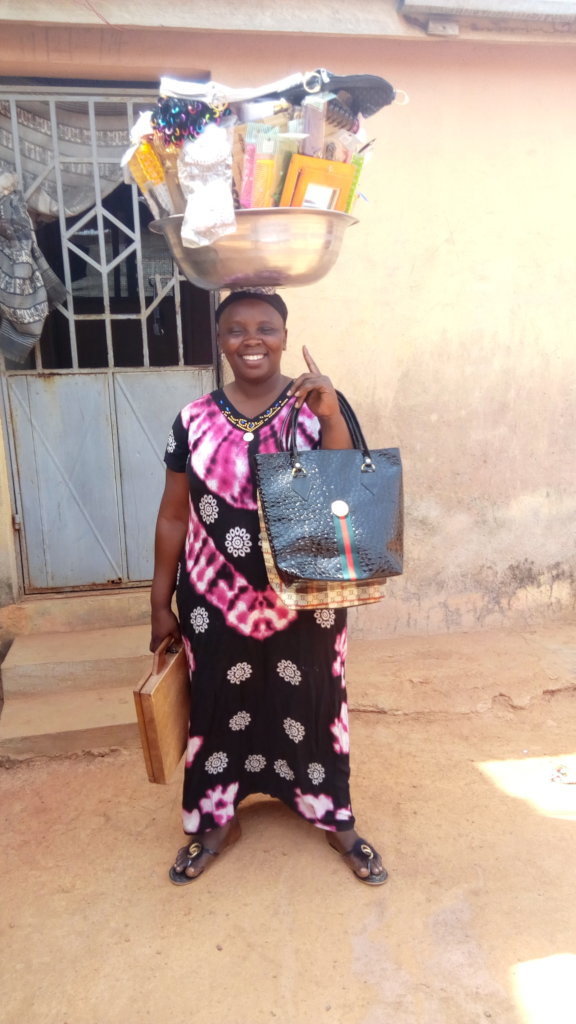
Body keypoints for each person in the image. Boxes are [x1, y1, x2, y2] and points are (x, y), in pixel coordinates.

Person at [150, 289, 387, 886]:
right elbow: (174, 515)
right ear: (219, 341)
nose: (251, 338)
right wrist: (158, 601)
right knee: (215, 700)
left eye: (265, 327)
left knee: (316, 698)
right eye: (235, 328)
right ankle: (216, 820)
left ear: (285, 336)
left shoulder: (317, 404)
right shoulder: (193, 419)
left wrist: (330, 415)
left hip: (307, 596)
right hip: (214, 598)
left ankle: (332, 814)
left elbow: (344, 489)